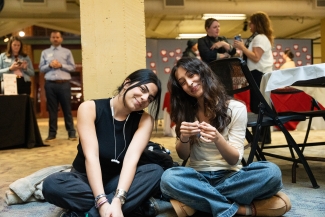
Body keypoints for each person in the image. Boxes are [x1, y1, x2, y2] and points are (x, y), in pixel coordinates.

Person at [160, 57, 291, 217]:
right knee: (168, 178)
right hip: (198, 176)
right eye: (182, 82)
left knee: (272, 173)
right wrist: (184, 137)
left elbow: (234, 160)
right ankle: (240, 210)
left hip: (230, 176)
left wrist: (218, 139)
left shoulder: (235, 108)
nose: (189, 83)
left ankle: (196, 203)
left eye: (191, 74)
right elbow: (183, 155)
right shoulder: (185, 111)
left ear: (203, 73)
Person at [42, 69, 164, 217]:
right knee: (52, 184)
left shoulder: (145, 120)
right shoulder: (90, 108)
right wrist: (101, 202)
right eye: (143, 89)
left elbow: (131, 161)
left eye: (150, 98)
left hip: (117, 183)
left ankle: (88, 214)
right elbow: (91, 157)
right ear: (127, 83)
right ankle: (117, 209)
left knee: (154, 171)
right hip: (85, 180)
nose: (145, 98)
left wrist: (118, 200)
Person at [233, 11, 274, 144]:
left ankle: (262, 136)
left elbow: (256, 57)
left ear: (257, 23)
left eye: (251, 22)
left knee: (261, 106)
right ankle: (261, 136)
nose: (249, 25)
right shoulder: (257, 38)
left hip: (260, 74)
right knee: (259, 105)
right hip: (256, 74)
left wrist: (242, 47)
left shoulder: (260, 38)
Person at [39, 31, 77, 141]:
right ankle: (52, 134)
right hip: (50, 84)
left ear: (61, 39)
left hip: (64, 84)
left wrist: (61, 65)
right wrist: (49, 65)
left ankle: (71, 133)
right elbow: (41, 68)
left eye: (57, 37)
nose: (55, 39)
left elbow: (72, 67)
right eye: (53, 37)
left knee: (67, 109)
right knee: (52, 110)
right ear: (50, 39)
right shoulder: (45, 52)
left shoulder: (67, 52)